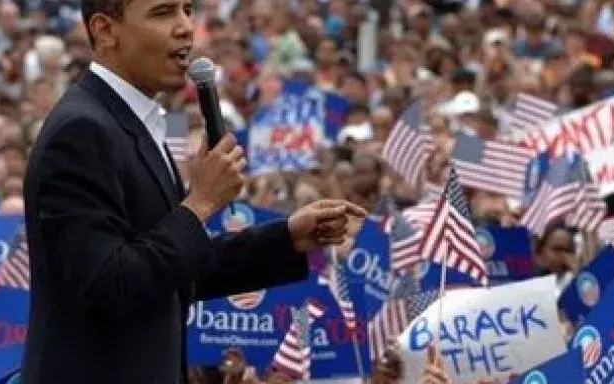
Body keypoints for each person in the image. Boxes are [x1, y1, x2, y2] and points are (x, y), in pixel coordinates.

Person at [20, 0, 366, 382]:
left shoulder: (131, 123)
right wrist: (200, 202)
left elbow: (172, 269)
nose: (186, 26)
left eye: (187, 9)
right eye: (163, 12)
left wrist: (286, 238)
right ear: (105, 31)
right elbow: (110, 283)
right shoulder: (82, 131)